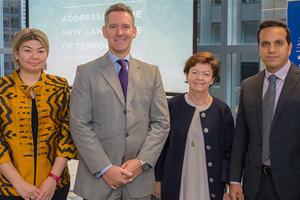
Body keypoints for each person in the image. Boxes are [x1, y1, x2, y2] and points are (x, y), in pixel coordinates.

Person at [69, 3, 170, 200]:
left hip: (139, 181)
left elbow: (161, 123)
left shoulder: (152, 73)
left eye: (125, 26)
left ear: (134, 31)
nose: (119, 32)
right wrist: (105, 168)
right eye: (113, 27)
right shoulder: (85, 72)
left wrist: (141, 162)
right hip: (98, 181)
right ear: (104, 31)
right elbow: (79, 124)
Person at [0, 28, 77, 200]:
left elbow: (68, 134)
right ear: (16, 54)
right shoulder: (2, 88)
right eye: (28, 50)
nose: (35, 56)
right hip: (8, 188)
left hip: (54, 186)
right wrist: (18, 183)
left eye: (40, 51)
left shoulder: (59, 86)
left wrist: (53, 179)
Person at [229, 19, 300, 200]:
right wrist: (235, 180)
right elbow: (241, 137)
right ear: (259, 48)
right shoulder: (248, 85)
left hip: (293, 184)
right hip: (254, 185)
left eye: (278, 43)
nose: (271, 50)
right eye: (265, 44)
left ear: (289, 47)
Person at [153, 52, 234, 200]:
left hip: (210, 183)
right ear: (186, 75)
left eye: (206, 74)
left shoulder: (222, 110)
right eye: (195, 72)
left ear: (213, 79)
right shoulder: (171, 105)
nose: (199, 78)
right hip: (175, 181)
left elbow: (228, 153)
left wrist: (228, 187)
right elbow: (160, 147)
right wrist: (157, 179)